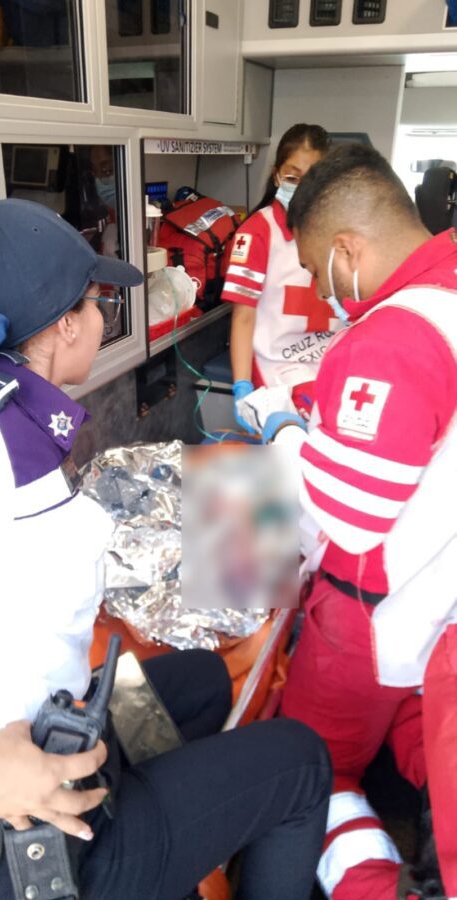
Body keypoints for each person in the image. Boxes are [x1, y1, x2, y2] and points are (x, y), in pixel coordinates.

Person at [0, 198, 332, 900]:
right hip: (26, 831)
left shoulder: (7, 416)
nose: (106, 317)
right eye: (98, 302)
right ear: (66, 325)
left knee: (203, 680)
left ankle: (178, 847)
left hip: (56, 723)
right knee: (303, 762)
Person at [261, 143, 457, 900]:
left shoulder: (395, 336)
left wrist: (284, 433)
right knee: (423, 741)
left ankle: (370, 885)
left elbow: (349, 517)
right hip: (437, 599)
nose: (319, 288)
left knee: (313, 765)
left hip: (374, 612)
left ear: (347, 248)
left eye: (316, 269)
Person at [221, 124, 341, 433]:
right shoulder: (257, 233)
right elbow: (243, 316)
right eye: (292, 177)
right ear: (276, 176)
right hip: (277, 365)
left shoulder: (339, 229)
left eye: (311, 178)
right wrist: (242, 386)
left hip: (329, 360)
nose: (301, 188)